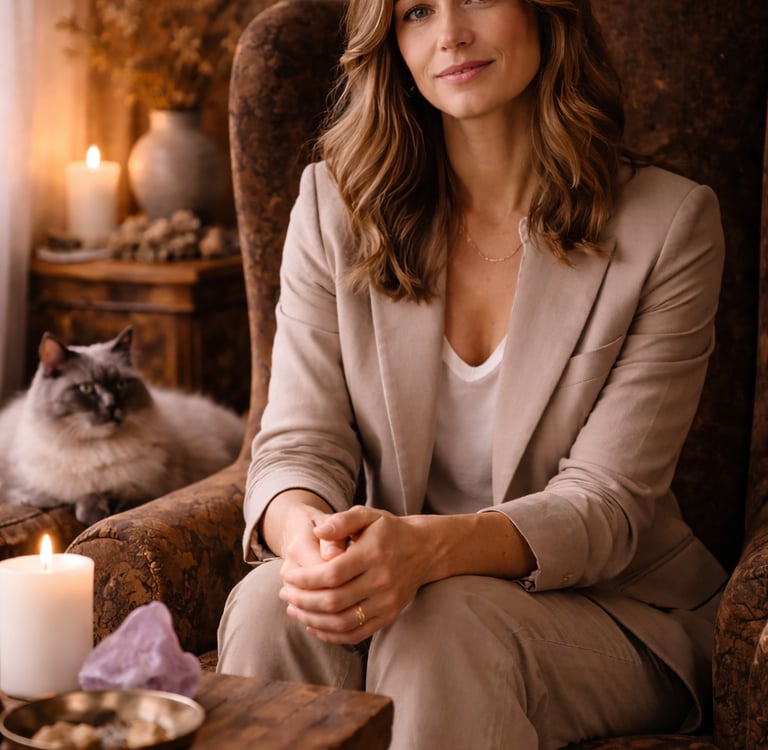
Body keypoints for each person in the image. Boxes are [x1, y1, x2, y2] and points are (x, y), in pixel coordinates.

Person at [217, 0, 727, 747]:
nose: (450, 32)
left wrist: (426, 551)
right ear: (389, 44)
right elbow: (298, 441)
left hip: (610, 606)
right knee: (274, 603)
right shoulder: (333, 208)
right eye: (417, 11)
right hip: (399, 583)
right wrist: (307, 545)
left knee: (442, 624)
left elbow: (607, 506)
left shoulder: (669, 224)